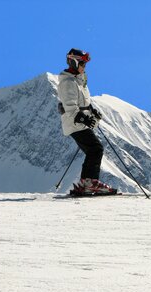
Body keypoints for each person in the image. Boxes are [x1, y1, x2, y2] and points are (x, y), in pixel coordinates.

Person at [57, 48, 116, 195]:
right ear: (74, 62)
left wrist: (92, 111)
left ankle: (86, 183)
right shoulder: (68, 82)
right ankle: (90, 183)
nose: (84, 67)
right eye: (82, 63)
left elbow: (84, 102)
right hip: (74, 122)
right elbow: (70, 106)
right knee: (96, 149)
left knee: (93, 150)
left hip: (79, 122)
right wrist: (83, 118)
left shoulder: (80, 80)